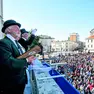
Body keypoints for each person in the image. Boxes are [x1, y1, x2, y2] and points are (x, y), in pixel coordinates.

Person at [0, 19, 40, 94]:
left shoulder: (16, 42)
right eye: (16, 28)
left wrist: (28, 60)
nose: (19, 30)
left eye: (19, 29)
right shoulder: (3, 43)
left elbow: (19, 58)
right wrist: (27, 60)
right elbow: (8, 63)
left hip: (19, 81)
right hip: (11, 84)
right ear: (8, 30)